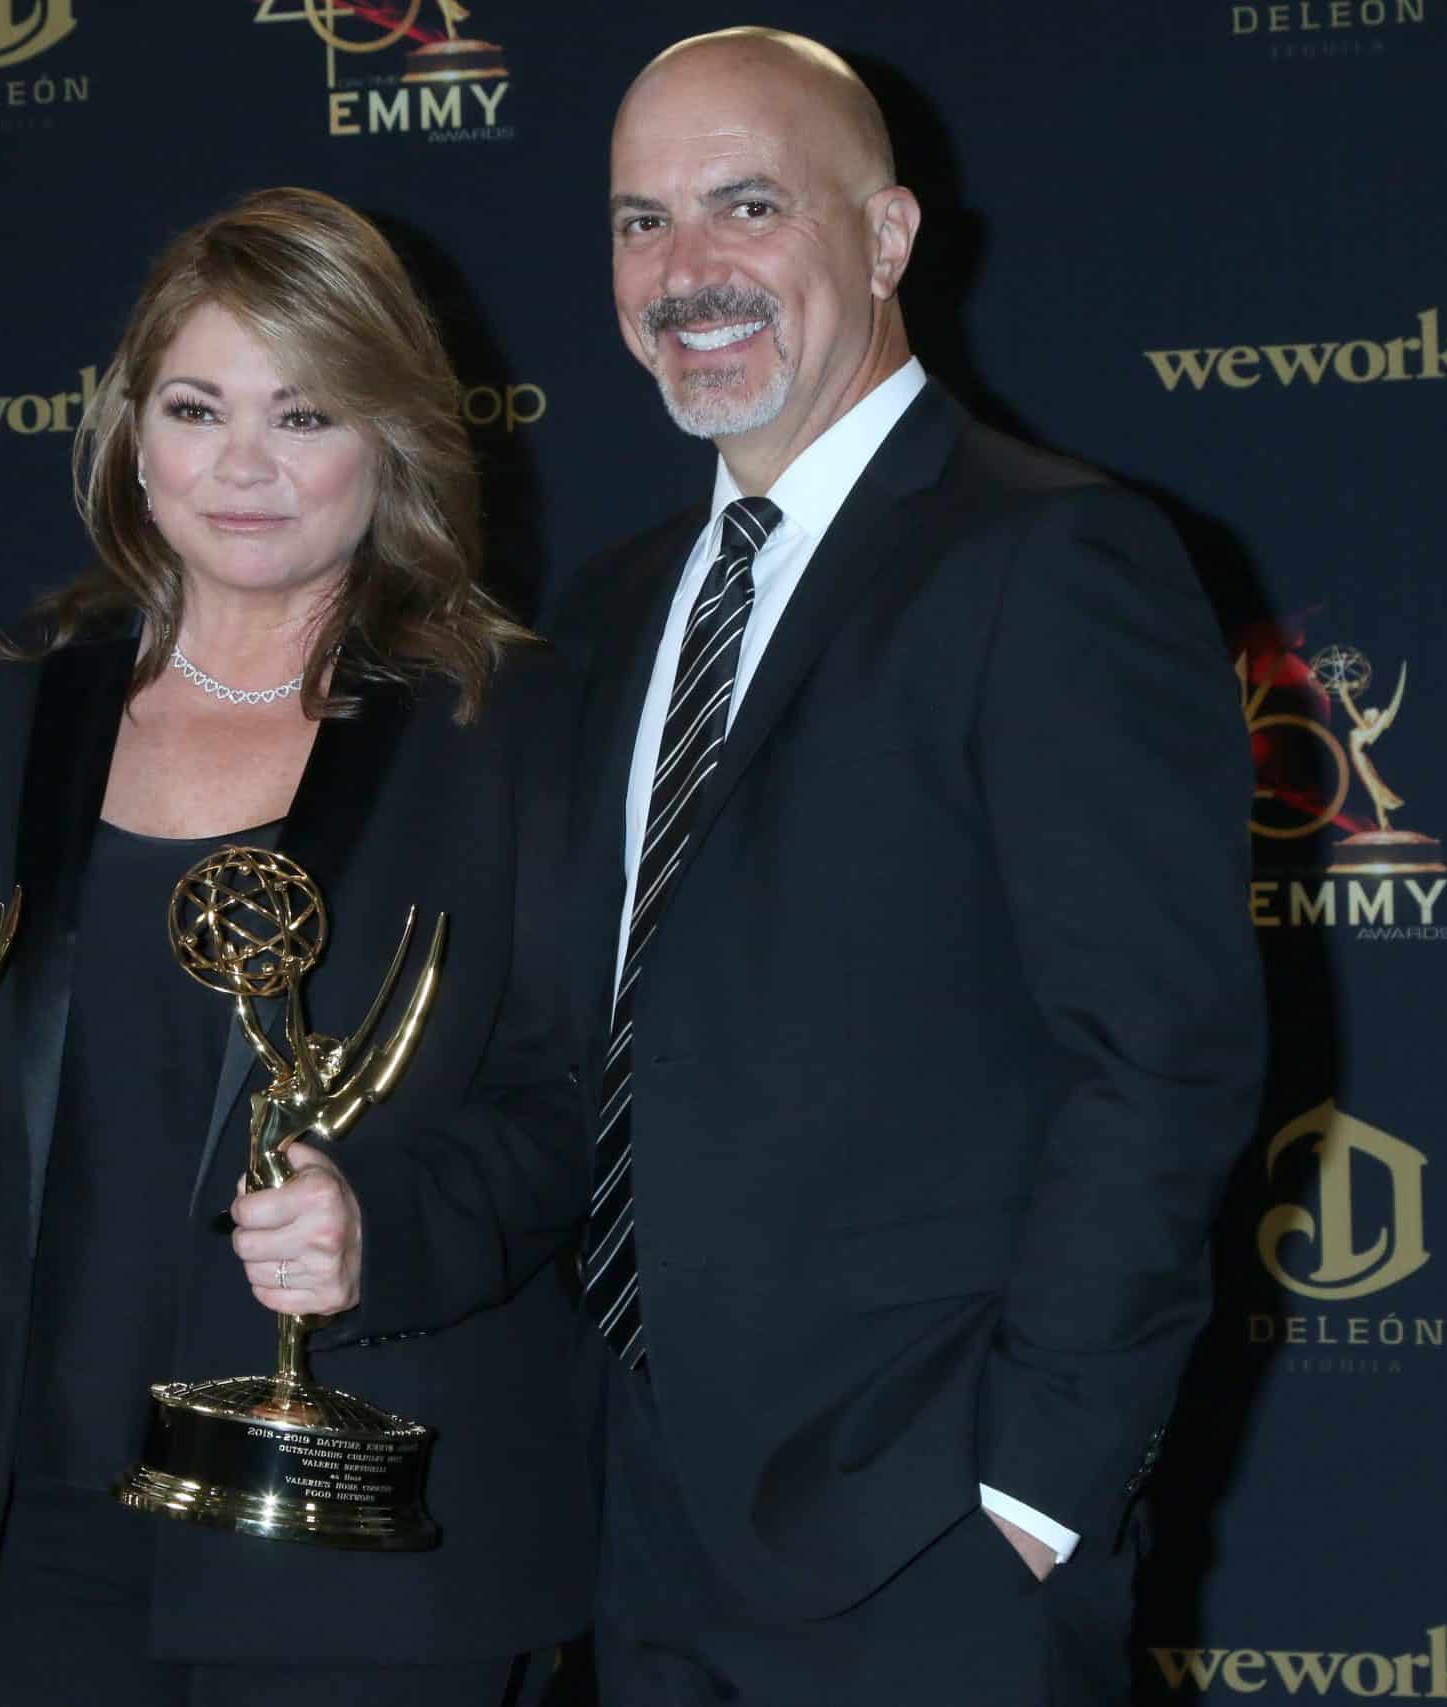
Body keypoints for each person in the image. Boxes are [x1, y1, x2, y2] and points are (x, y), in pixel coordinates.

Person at [0, 188, 590, 1707]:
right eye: (199, 406)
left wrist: (382, 1230)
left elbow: (569, 1098)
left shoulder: (511, 725)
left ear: (394, 436)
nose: (243, 467)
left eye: (306, 412)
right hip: (25, 1509)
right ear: (132, 431)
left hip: (362, 1529)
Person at [554, 30, 1267, 1705]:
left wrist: (1027, 1490)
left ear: (883, 239)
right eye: (640, 221)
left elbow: (1159, 1054)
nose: (686, 274)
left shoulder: (1052, 559)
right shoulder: (600, 613)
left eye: (745, 206)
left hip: (921, 1534)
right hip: (624, 1532)